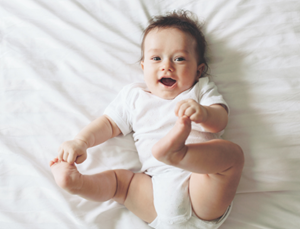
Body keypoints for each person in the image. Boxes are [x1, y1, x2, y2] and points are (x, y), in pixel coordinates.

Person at [50, 10, 244, 229]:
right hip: (157, 191)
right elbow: (108, 123)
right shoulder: (134, 96)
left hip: (197, 185)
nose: (167, 66)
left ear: (198, 71)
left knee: (229, 155)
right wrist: (81, 142)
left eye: (179, 59)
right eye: (156, 58)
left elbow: (220, 120)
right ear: (143, 67)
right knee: (121, 186)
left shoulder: (199, 91)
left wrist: (204, 113)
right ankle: (75, 183)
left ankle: (178, 154)